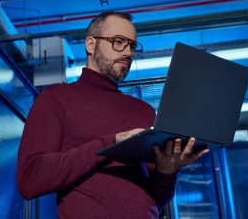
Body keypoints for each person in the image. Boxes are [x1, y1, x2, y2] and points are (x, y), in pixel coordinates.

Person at [16, 11, 208, 219]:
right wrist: (112, 143)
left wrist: (167, 171)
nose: (127, 52)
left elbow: (154, 199)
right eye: (118, 42)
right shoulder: (55, 98)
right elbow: (30, 180)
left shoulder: (143, 111)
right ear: (91, 45)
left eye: (132, 46)